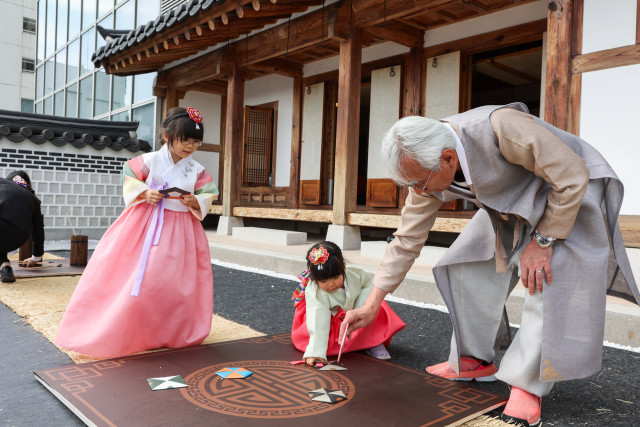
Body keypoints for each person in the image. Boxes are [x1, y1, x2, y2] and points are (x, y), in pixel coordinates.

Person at [340, 103, 639, 426]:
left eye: (420, 183)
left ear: (448, 159)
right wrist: (372, 304)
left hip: (568, 192)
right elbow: (406, 240)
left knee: (544, 277)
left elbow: (571, 175)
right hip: (513, 202)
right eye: (410, 185)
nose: (418, 192)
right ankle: (475, 358)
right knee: (463, 262)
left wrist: (542, 242)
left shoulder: (502, 127)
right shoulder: (426, 169)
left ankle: (527, 385)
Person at [55, 107, 219, 358]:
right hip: (145, 223)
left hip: (182, 229)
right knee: (140, 278)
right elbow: (129, 175)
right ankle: (128, 329)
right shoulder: (151, 160)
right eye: (184, 140)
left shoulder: (196, 169)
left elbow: (210, 193)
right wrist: (144, 192)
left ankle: (168, 331)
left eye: (195, 141)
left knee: (173, 283)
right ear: (167, 136)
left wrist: (195, 201)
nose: (190, 146)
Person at [291, 241, 405, 366]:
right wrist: (316, 351)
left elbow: (368, 286)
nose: (331, 284)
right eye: (323, 280)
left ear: (344, 268)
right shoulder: (316, 292)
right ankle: (323, 348)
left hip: (352, 315)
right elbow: (317, 320)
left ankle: (373, 341)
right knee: (323, 331)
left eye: (335, 277)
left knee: (377, 306)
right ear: (314, 277)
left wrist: (361, 309)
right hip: (329, 321)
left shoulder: (354, 274)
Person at [0, 170, 45, 283]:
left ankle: (5, 266)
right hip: (19, 236)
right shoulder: (33, 199)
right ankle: (5, 267)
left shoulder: (2, 183)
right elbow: (38, 231)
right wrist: (36, 258)